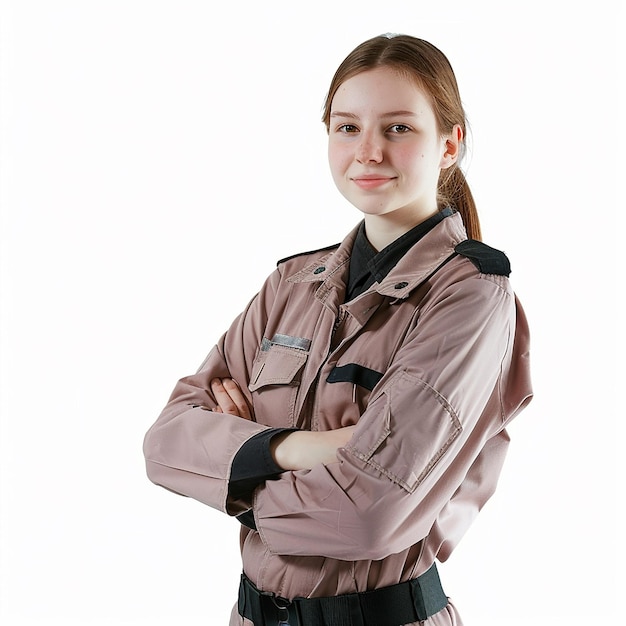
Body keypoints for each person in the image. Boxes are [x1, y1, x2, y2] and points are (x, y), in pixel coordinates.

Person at [143, 33, 533, 626]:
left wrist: (230, 473)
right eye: (347, 127)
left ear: (449, 144)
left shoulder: (470, 296)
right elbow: (165, 442)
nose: (367, 152)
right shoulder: (292, 284)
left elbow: (365, 516)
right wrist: (296, 449)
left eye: (398, 129)